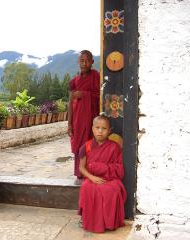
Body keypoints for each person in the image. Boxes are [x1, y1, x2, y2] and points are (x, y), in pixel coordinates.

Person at [78, 115, 127, 233]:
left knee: (113, 189)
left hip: (109, 178)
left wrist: (101, 168)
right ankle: (90, 221)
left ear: (109, 131)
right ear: (92, 128)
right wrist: (92, 177)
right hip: (91, 178)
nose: (100, 131)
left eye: (104, 128)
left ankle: (108, 223)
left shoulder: (114, 147)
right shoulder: (87, 146)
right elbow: (81, 168)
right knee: (87, 187)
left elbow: (119, 168)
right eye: (97, 127)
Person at [68, 50, 100, 184]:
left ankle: (92, 172)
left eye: (87, 61)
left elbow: (100, 96)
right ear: (78, 62)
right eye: (82, 61)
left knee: (92, 145)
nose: (84, 63)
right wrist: (69, 123)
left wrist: (85, 95)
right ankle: (79, 173)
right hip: (78, 121)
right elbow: (70, 103)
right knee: (79, 146)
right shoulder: (74, 82)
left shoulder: (96, 76)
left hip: (92, 119)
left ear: (92, 62)